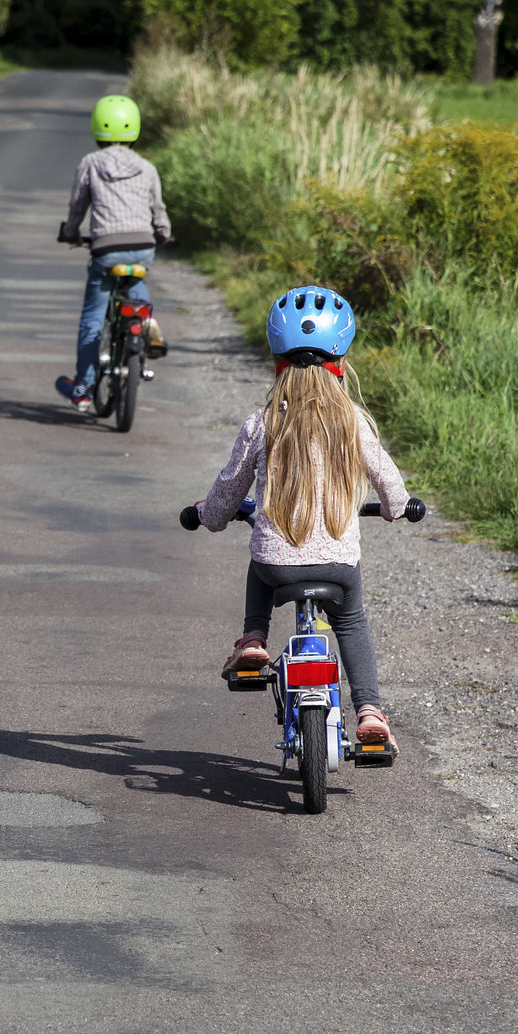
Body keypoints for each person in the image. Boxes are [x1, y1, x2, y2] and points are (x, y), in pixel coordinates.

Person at [191, 286, 408, 748]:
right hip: (338, 566)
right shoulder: (353, 421)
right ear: (341, 364)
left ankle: (253, 639)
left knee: (261, 554)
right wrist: (395, 510)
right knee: (350, 622)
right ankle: (369, 709)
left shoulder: (262, 422)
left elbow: (228, 491)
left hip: (276, 566)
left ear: (277, 363)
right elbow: (390, 485)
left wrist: (208, 517)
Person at [55, 94, 172, 412]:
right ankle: (148, 322)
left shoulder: (90, 164)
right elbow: (158, 212)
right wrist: (161, 235)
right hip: (142, 249)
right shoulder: (147, 168)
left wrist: (70, 232)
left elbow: (78, 206)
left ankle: (83, 387)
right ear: (135, 129)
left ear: (97, 129)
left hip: (106, 250)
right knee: (136, 286)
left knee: (92, 320)